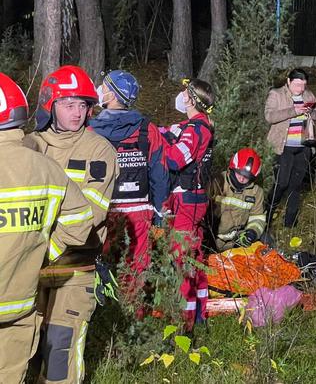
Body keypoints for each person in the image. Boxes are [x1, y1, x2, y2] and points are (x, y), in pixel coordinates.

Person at [24, 65, 118, 383]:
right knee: (22, 350)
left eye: (83, 105)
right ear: (50, 105)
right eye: (68, 104)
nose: (78, 113)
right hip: (29, 270)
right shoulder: (28, 146)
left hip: (74, 267)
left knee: (59, 351)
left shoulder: (98, 150)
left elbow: (92, 214)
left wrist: (43, 249)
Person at [0, 73, 94, 384]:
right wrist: (40, 252)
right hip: (19, 305)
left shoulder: (96, 149)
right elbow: (81, 223)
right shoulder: (46, 167)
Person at [89, 70, 169, 301]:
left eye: (104, 87)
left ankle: (106, 318)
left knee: (100, 265)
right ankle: (135, 314)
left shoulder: (91, 130)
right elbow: (160, 174)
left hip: (103, 210)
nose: (100, 90)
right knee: (137, 268)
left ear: (113, 95)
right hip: (139, 211)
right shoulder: (147, 129)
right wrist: (159, 214)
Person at [160, 78, 214, 330]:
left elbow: (175, 160)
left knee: (181, 256)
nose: (180, 95)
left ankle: (186, 321)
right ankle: (200, 313)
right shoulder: (198, 125)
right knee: (195, 257)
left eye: (185, 92)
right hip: (195, 198)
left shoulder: (196, 130)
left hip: (188, 200)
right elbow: (173, 131)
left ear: (191, 99)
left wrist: (162, 148)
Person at [264, 68, 316, 228]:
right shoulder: (276, 94)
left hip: (303, 147)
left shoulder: (308, 95)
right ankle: (265, 216)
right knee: (281, 183)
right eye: (297, 85)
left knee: (295, 186)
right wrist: (294, 111)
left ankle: (290, 224)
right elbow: (269, 117)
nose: (301, 89)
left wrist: (312, 113)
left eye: (303, 85)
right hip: (283, 148)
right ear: (288, 81)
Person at [214, 148, 267, 251]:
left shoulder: (256, 192)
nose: (242, 179)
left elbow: (258, 218)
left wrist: (252, 232)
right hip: (211, 239)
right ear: (232, 168)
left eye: (246, 177)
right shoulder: (218, 182)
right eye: (240, 174)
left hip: (236, 242)